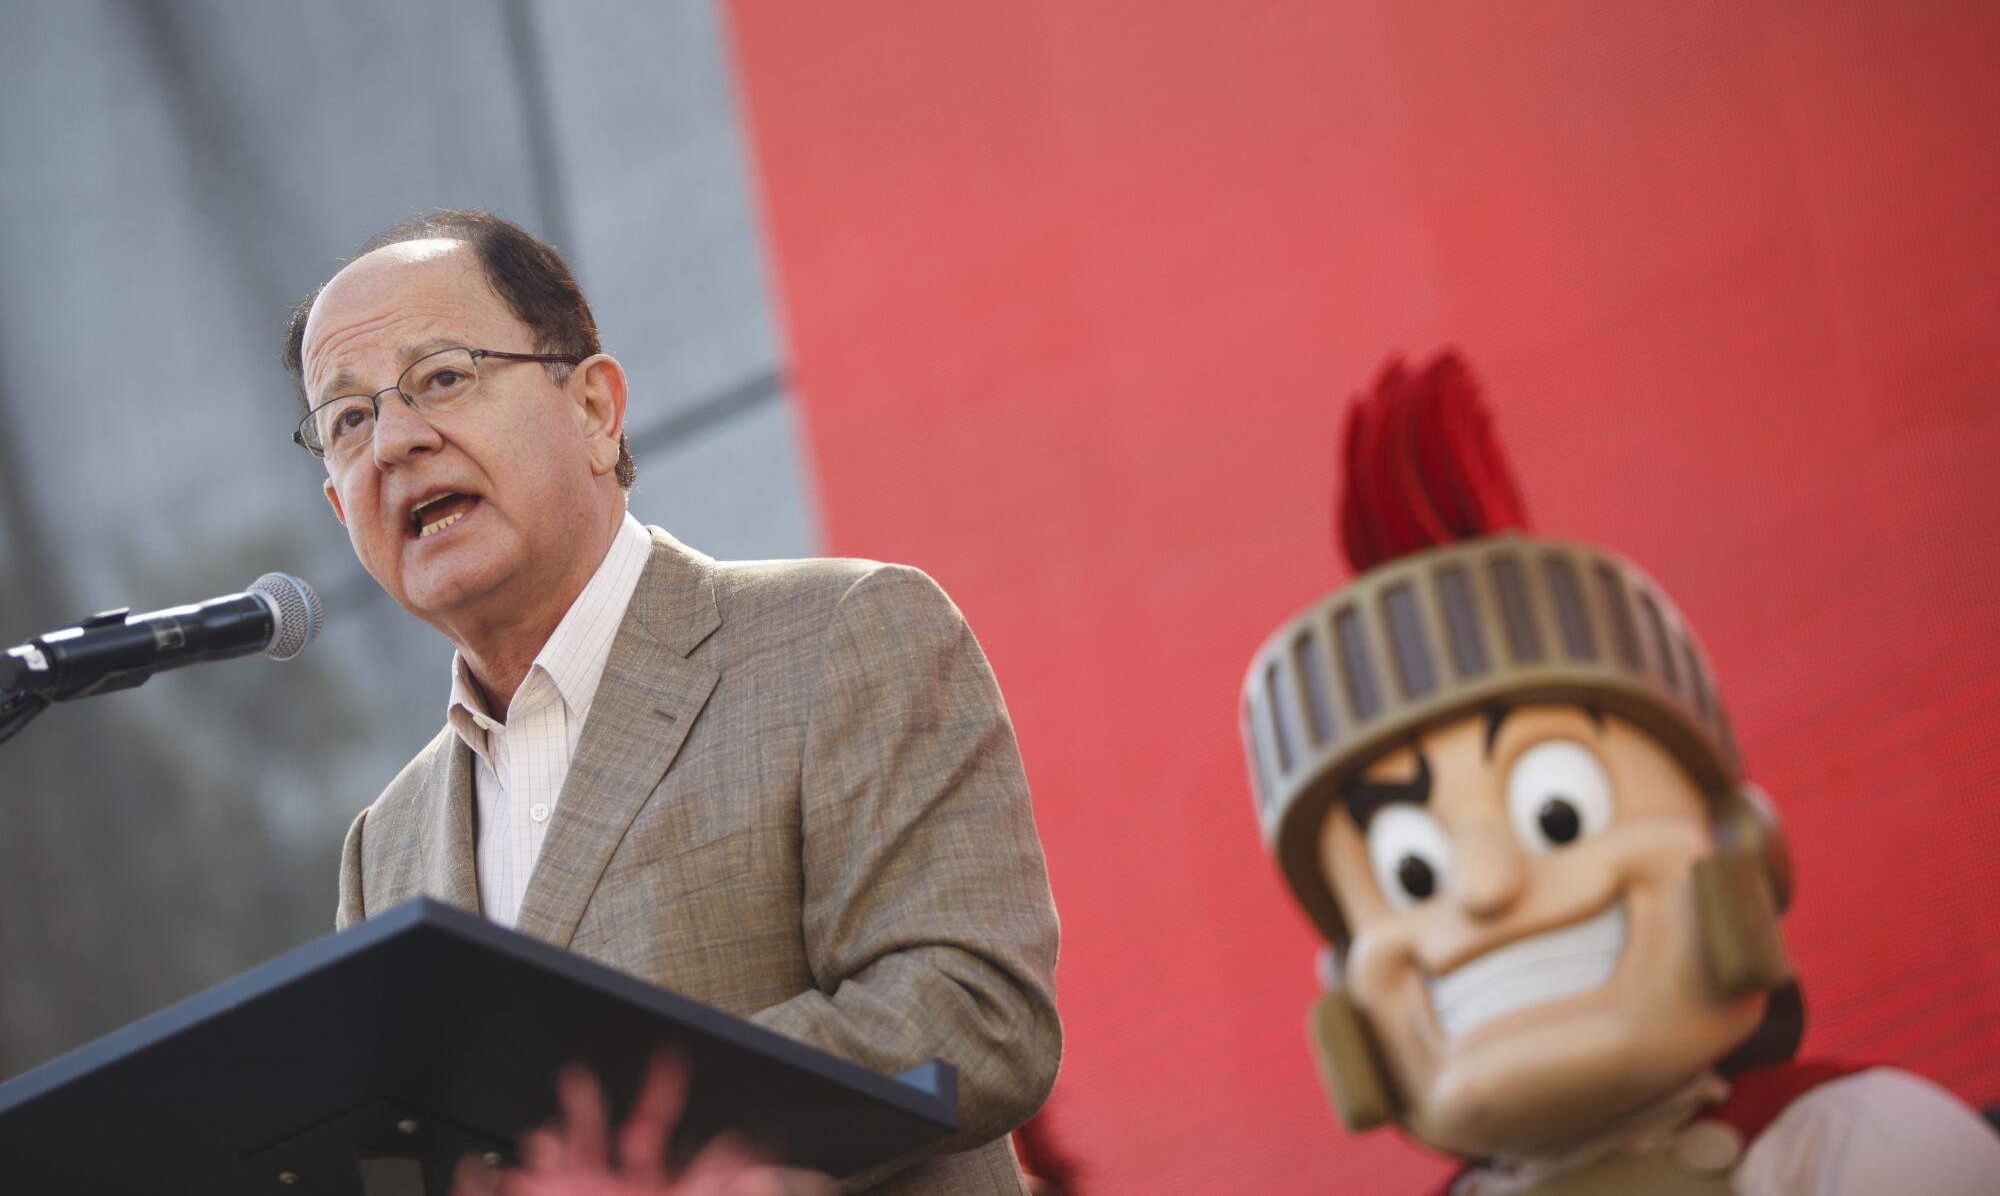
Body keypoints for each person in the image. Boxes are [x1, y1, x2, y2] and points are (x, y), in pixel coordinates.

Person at [282, 210, 1061, 1195]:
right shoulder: (380, 850)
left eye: (441, 375)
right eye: (347, 419)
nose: (392, 439)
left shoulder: (842, 635)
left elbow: (974, 1015)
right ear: (337, 506)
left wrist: (631, 1155)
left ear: (596, 410)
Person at [1238, 353, 2000, 1194]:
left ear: (1742, 850)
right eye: (1413, 875)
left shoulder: (1863, 1148)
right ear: (1346, 986)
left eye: (1557, 818)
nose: (1488, 888)